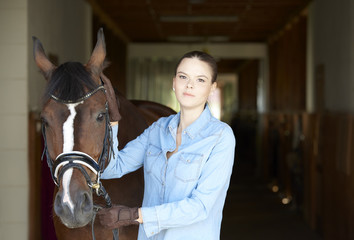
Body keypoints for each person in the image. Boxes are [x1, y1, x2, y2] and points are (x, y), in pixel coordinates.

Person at [98, 51, 236, 240]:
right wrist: (113, 123)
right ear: (173, 83)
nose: (189, 85)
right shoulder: (157, 129)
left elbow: (200, 207)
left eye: (200, 80)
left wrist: (134, 215)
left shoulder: (221, 136)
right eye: (183, 76)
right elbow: (112, 168)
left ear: (212, 89)